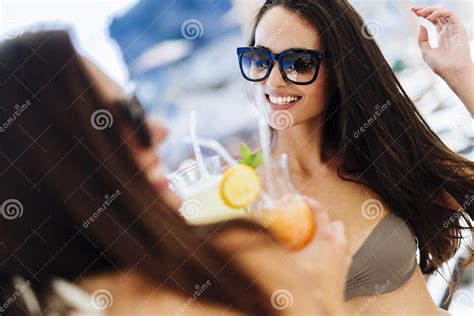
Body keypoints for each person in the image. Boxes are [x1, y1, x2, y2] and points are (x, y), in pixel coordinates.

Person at [0, 30, 351, 315]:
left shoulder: (210, 255)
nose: (157, 130)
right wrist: (324, 293)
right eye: (124, 115)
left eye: (135, 107)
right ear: (60, 168)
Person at [237, 1, 473, 315]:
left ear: (340, 71)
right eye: (260, 58)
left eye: (298, 63)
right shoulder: (245, 197)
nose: (273, 80)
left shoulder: (376, 152)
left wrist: (461, 74)